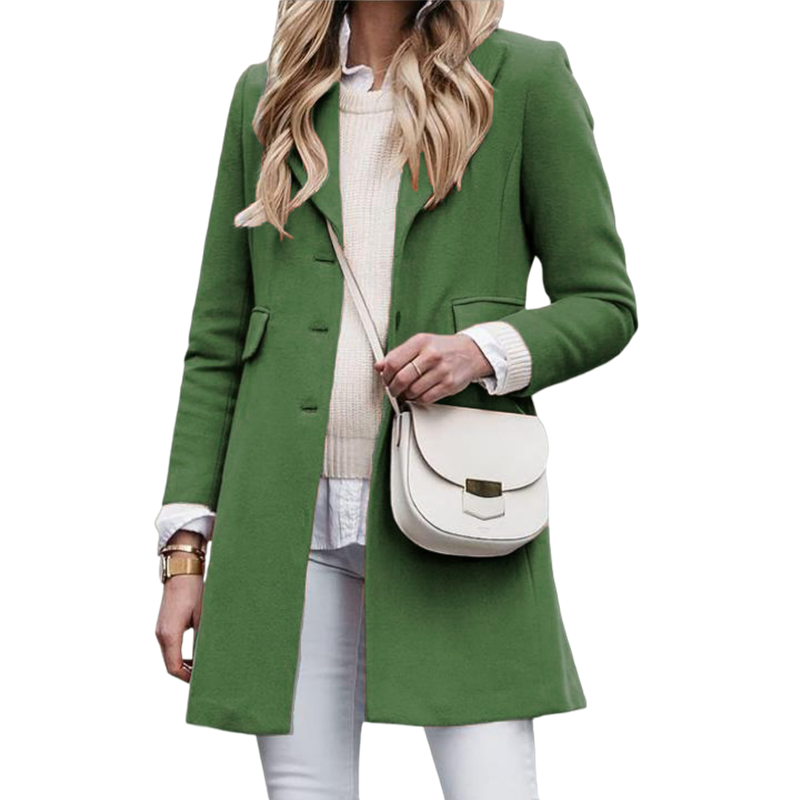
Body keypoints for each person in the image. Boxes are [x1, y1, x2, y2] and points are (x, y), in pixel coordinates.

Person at [155, 2, 638, 798]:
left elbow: (605, 303)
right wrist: (184, 554)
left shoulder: (523, 78)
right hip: (284, 524)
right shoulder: (268, 93)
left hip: (457, 510)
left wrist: (482, 351)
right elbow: (218, 341)